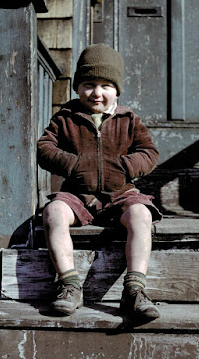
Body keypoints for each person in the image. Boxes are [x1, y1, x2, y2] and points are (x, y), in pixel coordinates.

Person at [37, 44, 162, 320]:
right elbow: (44, 148)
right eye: (89, 84)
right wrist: (73, 163)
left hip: (120, 193)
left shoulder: (129, 120)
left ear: (117, 90)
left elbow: (150, 153)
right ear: (77, 87)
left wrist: (127, 166)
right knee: (53, 212)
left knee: (141, 214)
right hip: (78, 195)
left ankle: (134, 290)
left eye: (106, 85)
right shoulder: (65, 118)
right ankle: (69, 284)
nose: (97, 93)